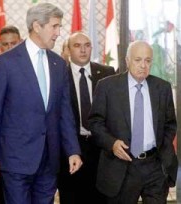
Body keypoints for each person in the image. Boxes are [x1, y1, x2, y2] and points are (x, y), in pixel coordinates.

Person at [0, 3, 82, 204]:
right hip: (15, 160)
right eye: (54, 26)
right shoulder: (6, 63)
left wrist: (73, 150)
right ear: (37, 26)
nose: (58, 33)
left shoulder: (59, 64)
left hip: (49, 161)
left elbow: (64, 112)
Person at [89, 40, 178, 204]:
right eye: (138, 60)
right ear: (127, 61)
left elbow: (170, 124)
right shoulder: (107, 87)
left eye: (148, 60)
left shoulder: (162, 88)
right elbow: (95, 123)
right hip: (121, 166)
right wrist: (112, 143)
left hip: (154, 166)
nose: (143, 65)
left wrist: (161, 152)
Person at [57, 31, 116, 204]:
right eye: (77, 46)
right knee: (72, 196)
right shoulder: (59, 76)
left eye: (87, 45)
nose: (83, 50)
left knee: (101, 197)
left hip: (101, 148)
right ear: (68, 50)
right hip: (71, 148)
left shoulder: (107, 72)